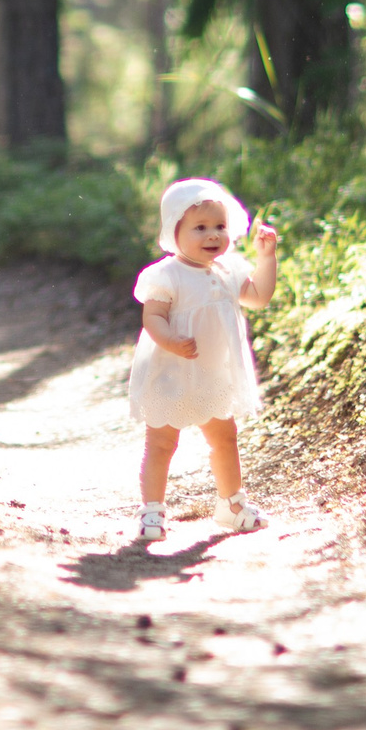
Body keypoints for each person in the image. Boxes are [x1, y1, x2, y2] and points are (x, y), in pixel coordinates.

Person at [128, 177, 279, 543]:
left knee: (225, 438)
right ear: (174, 231)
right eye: (200, 228)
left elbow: (259, 297)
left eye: (220, 227)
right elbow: (153, 317)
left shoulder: (229, 271)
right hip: (170, 370)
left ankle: (231, 505)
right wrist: (170, 340)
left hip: (213, 373)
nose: (213, 235)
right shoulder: (166, 275)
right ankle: (152, 510)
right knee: (162, 442)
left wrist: (266, 258)